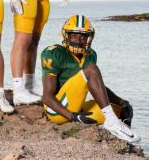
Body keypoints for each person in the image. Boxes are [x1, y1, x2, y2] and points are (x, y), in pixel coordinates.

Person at [41, 14, 141, 143]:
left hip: (78, 107)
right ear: (66, 36)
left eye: (83, 37)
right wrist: (73, 116)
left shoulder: (90, 55)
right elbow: (47, 97)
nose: (78, 41)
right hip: (57, 111)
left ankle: (124, 142)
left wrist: (121, 101)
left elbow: (96, 85)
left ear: (89, 38)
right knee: (91, 69)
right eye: (74, 36)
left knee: (123, 111)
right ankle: (111, 122)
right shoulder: (55, 54)